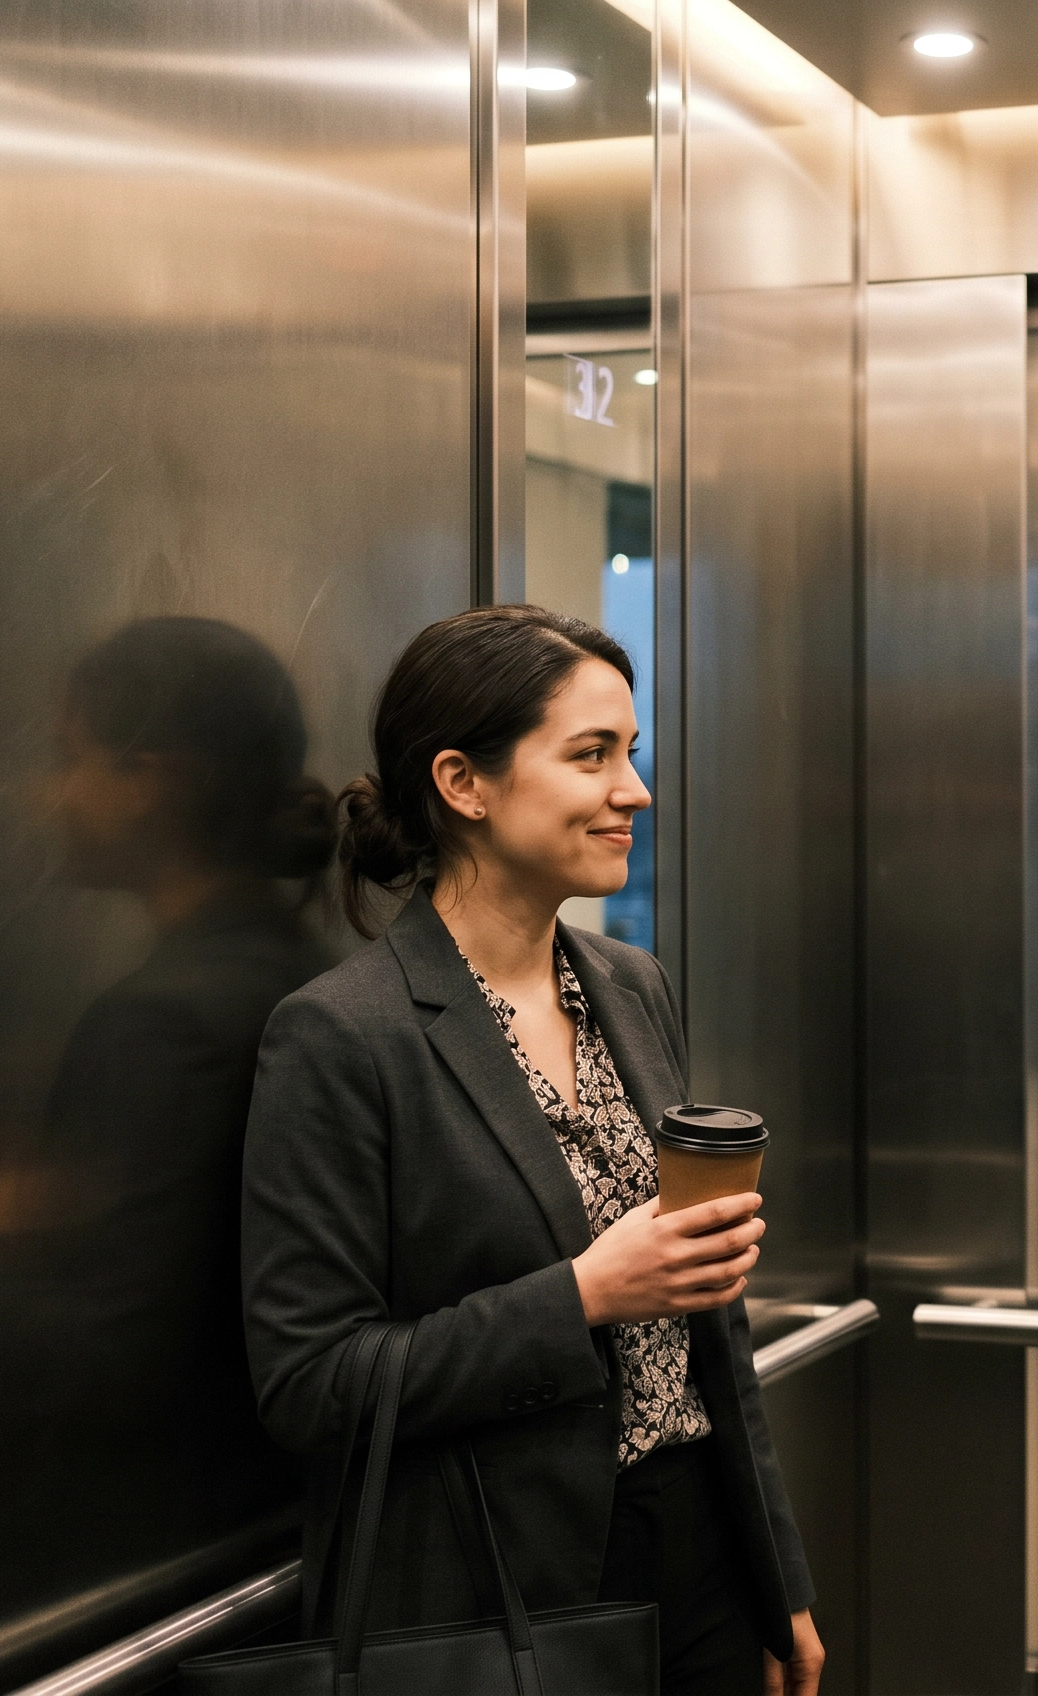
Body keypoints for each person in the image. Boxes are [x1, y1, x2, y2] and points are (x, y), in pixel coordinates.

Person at [241, 606, 822, 1695]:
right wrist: (583, 1297)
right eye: (591, 754)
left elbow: (711, 1327)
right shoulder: (341, 1033)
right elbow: (311, 1382)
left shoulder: (631, 986)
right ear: (463, 782)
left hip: (697, 1552)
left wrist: (775, 1573)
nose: (633, 790)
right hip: (500, 1588)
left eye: (630, 754)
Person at [0, 617, 336, 1572]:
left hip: (148, 1553)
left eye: (71, 759)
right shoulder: (305, 973)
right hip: (262, 1530)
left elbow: (117, 1354)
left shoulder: (165, 1022)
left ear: (150, 779)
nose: (53, 793)